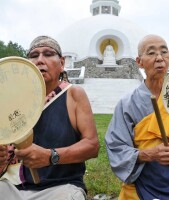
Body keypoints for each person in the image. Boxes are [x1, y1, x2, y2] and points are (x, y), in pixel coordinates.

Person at [0, 35, 99, 200]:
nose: (39, 60)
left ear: (62, 64)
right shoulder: (13, 101)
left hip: (59, 188)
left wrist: (50, 156)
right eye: (33, 55)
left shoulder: (73, 94)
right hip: (10, 187)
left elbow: (92, 145)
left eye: (47, 53)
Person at [105, 34, 169, 199]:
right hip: (144, 181)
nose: (159, 58)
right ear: (139, 61)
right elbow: (116, 147)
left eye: (164, 52)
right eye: (151, 53)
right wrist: (149, 154)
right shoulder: (127, 103)